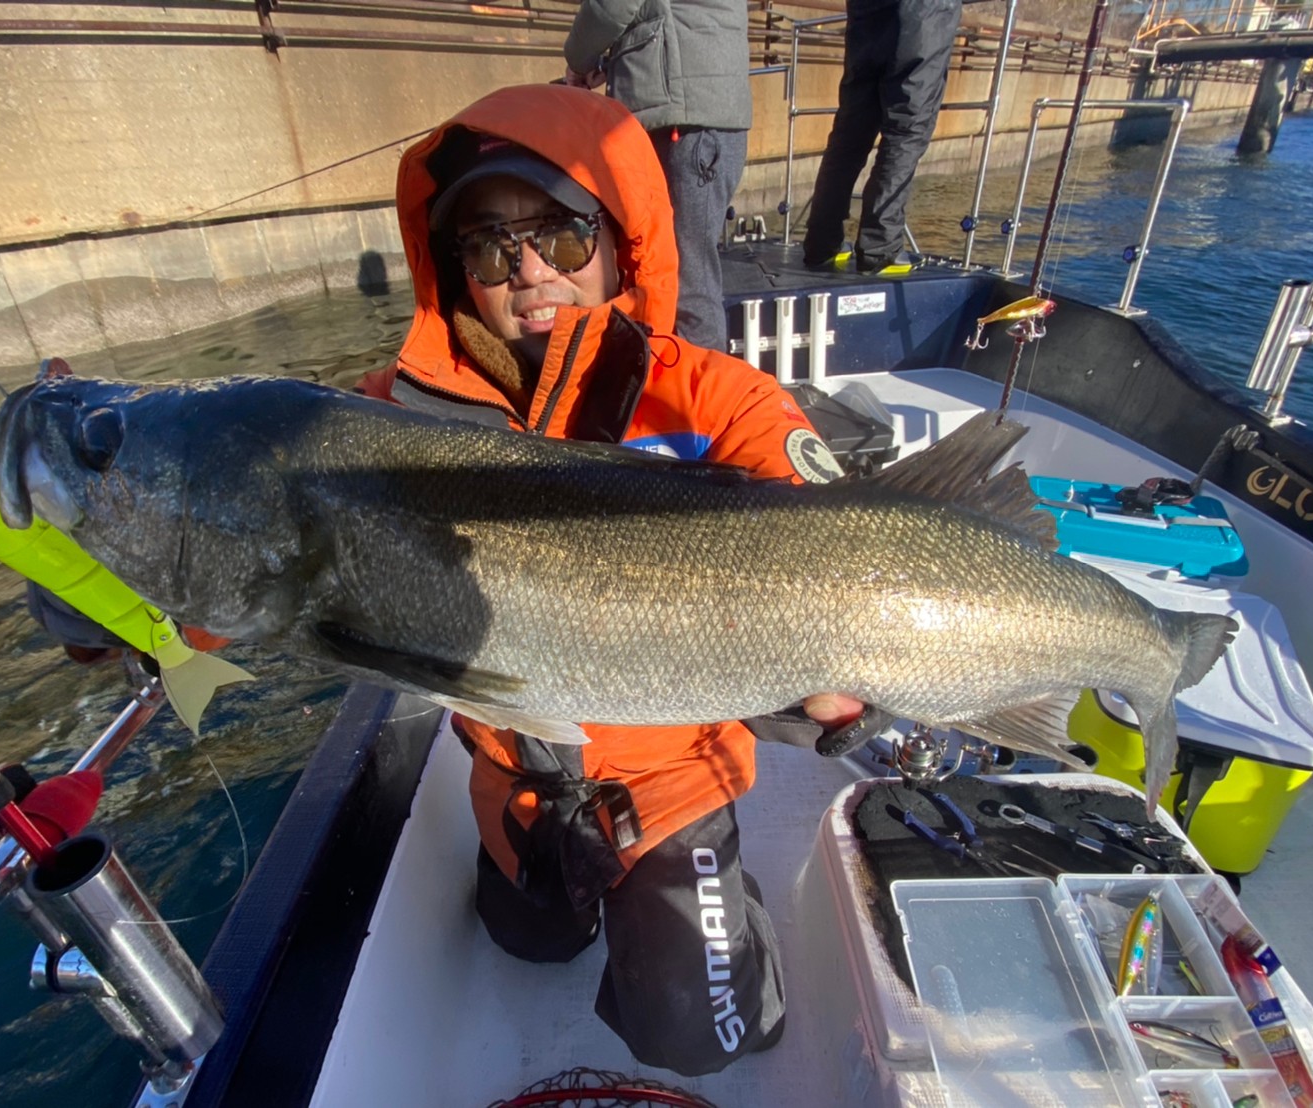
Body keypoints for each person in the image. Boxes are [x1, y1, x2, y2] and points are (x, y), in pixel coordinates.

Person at [362, 83, 863, 1076]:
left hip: (671, 786)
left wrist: (845, 672)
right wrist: (110, 551)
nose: (530, 271)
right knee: (525, 940)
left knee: (710, 1035)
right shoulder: (391, 419)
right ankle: (557, 891)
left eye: (560, 231)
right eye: (491, 244)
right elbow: (270, 523)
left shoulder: (717, 398)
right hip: (515, 793)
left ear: (621, 238)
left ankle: (720, 906)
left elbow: (839, 538)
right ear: (453, 268)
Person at [562, 0, 751, 353]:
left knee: (684, 273)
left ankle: (696, 400)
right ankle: (672, 384)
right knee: (679, 265)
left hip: (683, 119)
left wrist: (578, 59)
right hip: (706, 112)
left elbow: (611, 7)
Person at [801, 0, 964, 274]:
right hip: (924, 16)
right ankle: (880, 249)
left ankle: (821, 244)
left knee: (850, 133)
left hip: (868, 15)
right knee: (906, 132)